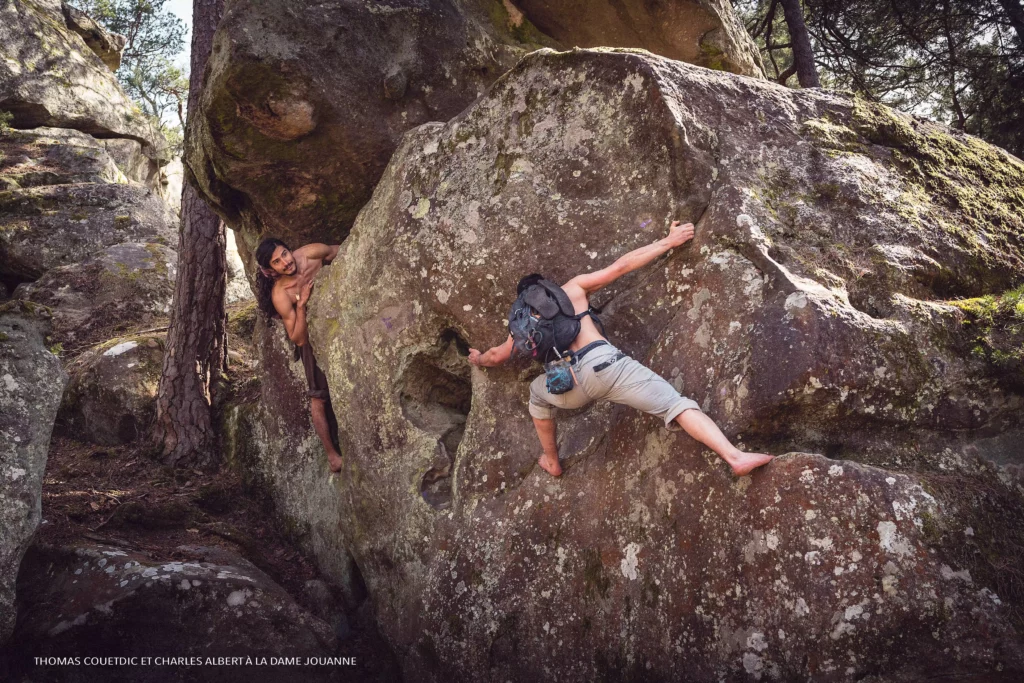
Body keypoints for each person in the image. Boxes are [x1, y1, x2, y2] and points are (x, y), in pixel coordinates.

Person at [468, 221, 774, 478]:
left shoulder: (521, 322)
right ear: (548, 286)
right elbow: (621, 266)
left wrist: (477, 358)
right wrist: (668, 241)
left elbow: (496, 356)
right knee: (676, 405)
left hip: (567, 387)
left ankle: (552, 460)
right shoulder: (573, 289)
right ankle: (734, 457)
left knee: (536, 394)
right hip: (606, 365)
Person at [255, 237, 344, 472]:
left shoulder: (311, 253)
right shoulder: (280, 294)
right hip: (310, 334)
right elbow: (298, 337)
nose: (285, 262)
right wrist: (302, 304)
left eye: (284, 254)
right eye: (277, 262)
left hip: (336, 317)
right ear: (271, 270)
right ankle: (333, 457)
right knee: (318, 397)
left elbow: (342, 251)